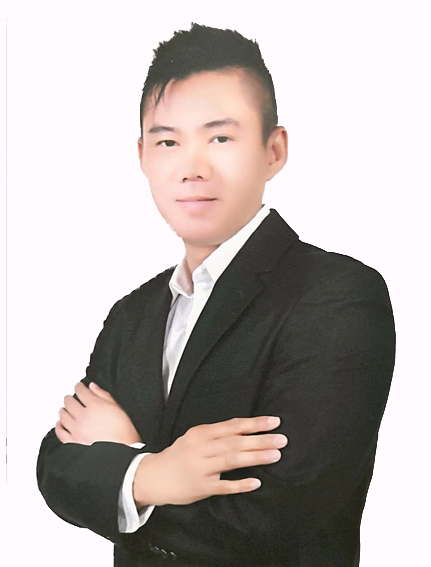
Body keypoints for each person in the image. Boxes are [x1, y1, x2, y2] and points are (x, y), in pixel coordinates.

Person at [36, 22, 396, 567]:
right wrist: (156, 473)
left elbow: (284, 519)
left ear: (274, 150)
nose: (192, 169)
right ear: (142, 156)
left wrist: (130, 468)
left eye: (220, 138)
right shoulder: (132, 315)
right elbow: (57, 467)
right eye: (168, 142)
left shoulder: (336, 296)